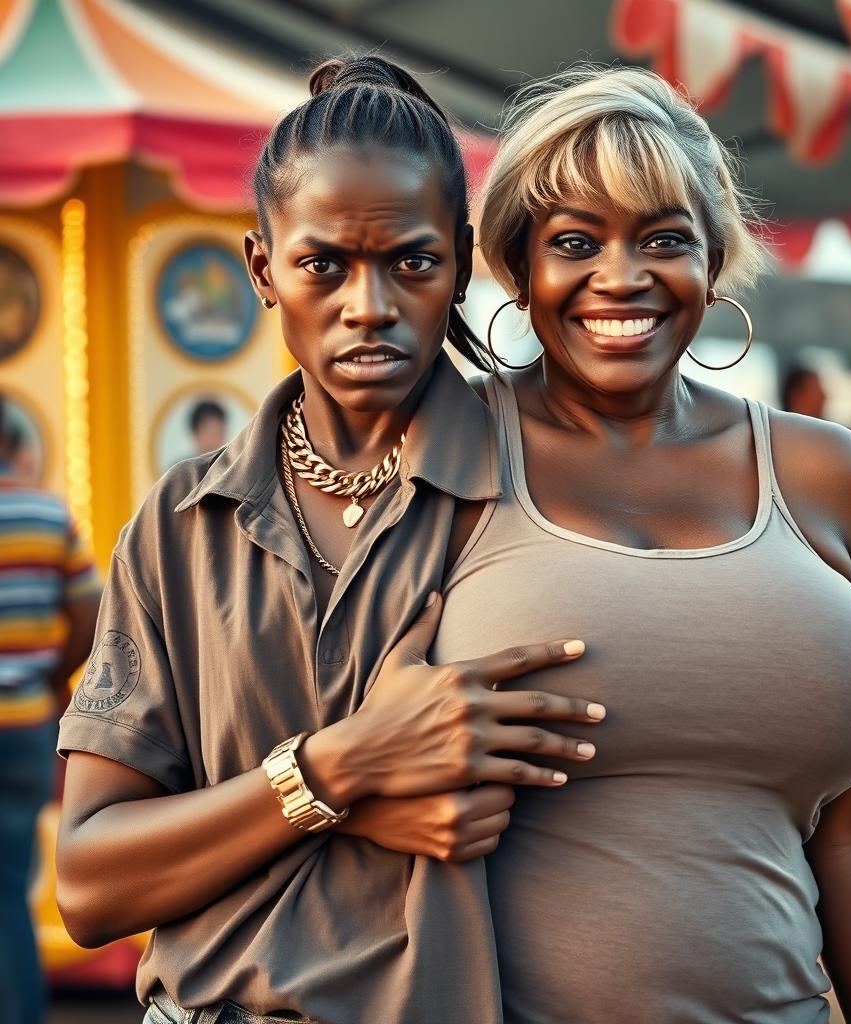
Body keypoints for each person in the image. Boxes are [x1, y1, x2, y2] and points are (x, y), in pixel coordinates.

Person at [55, 57, 605, 1024]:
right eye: (324, 265)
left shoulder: (543, 493)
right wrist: (337, 772)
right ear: (264, 270)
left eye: (412, 262)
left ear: (463, 261)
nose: (369, 305)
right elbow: (92, 886)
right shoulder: (181, 529)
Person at [434, 65, 851, 1023]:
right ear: (518, 269)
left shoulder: (828, 474)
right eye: (576, 242)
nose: (623, 277)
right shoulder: (442, 456)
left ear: (714, 259)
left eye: (664, 240)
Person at [0, 394, 101, 1024]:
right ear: (15, 444)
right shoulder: (46, 511)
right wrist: (50, 674)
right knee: (10, 885)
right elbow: (91, 613)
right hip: (28, 723)